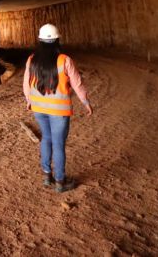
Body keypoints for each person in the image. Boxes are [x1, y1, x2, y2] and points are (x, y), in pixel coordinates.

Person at [22, 23, 92, 192]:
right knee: (58, 144)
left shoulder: (32, 59)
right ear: (57, 40)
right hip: (59, 111)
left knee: (46, 138)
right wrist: (86, 102)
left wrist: (29, 100)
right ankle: (60, 181)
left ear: (39, 40)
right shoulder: (65, 60)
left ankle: (47, 176)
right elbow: (77, 83)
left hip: (39, 109)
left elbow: (26, 84)